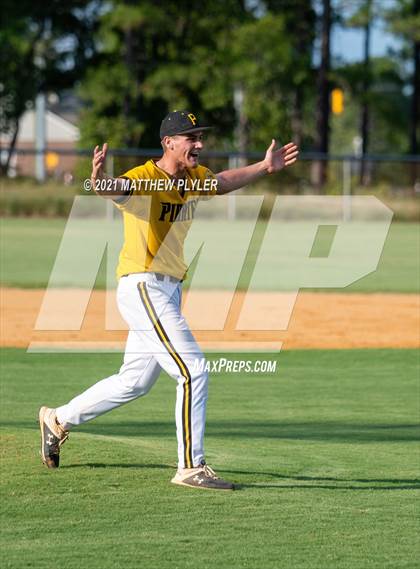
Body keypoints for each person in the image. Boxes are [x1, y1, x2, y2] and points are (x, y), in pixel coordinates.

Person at [39, 110, 299, 490]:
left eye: (199, 137)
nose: (199, 144)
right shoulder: (144, 177)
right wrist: (96, 182)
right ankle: (191, 467)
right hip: (143, 284)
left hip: (168, 289)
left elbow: (223, 182)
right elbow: (118, 189)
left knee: (134, 382)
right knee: (193, 370)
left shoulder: (194, 179)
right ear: (168, 143)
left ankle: (57, 419)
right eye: (190, 137)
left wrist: (263, 166)